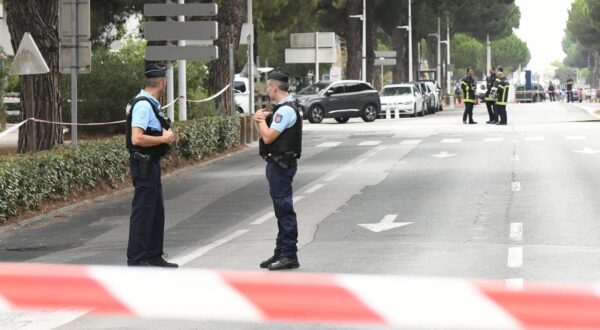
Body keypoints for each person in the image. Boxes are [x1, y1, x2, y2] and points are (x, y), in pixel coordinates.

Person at [125, 63, 177, 268]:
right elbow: (137, 138)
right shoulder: (143, 105)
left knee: (156, 211)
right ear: (162, 83)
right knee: (143, 212)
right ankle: (137, 259)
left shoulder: (149, 103)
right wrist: (164, 139)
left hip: (150, 164)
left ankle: (154, 255)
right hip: (143, 164)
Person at [254, 69, 303, 271]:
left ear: (274, 87)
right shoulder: (284, 108)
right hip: (279, 164)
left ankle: (289, 254)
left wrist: (258, 120)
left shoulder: (285, 111)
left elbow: (268, 137)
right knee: (280, 210)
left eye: (268, 87)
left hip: (281, 165)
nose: (267, 91)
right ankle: (281, 250)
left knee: (284, 209)